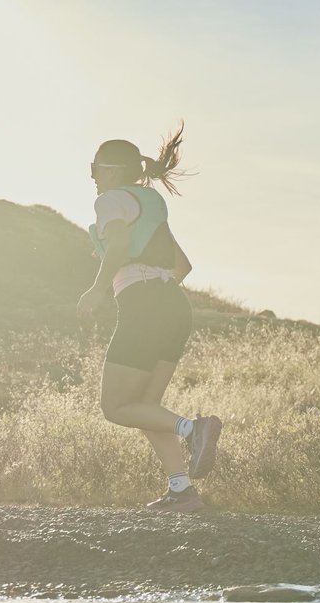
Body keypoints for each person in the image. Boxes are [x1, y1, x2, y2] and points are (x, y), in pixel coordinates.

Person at [74, 130, 223, 513]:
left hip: (144, 305)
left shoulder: (110, 201)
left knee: (115, 406)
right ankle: (181, 492)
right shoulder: (151, 203)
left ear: (110, 171)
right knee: (146, 405)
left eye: (94, 168)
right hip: (173, 304)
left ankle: (194, 430)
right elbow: (182, 266)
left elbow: (121, 246)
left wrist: (98, 289)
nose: (91, 176)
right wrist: (158, 295)